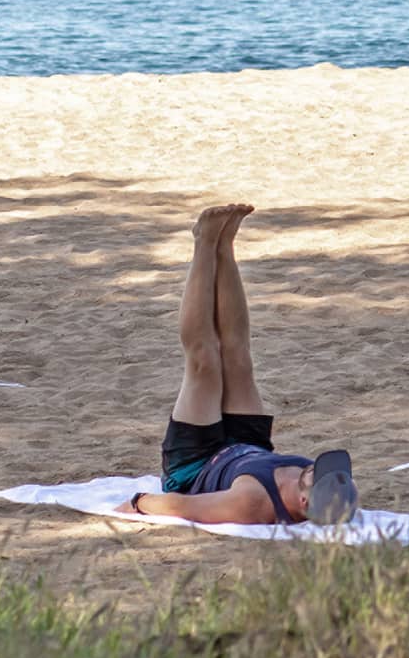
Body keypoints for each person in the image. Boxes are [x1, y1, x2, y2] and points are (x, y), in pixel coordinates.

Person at [116, 203, 359, 525]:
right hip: (249, 448)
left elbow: (179, 506)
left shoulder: (251, 504)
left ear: (303, 501)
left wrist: (138, 502)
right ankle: (226, 243)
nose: (316, 468)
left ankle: (203, 241)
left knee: (204, 363)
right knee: (238, 357)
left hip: (196, 464)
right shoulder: (307, 478)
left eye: (320, 477)